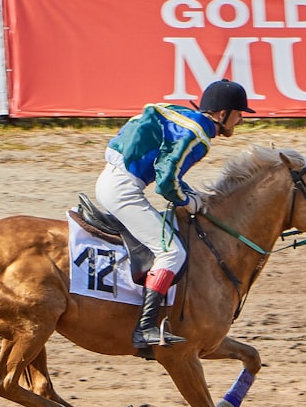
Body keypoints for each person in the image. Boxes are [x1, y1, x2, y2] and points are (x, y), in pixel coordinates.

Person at [95, 79, 256, 349]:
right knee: (172, 252)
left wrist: (187, 194)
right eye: (239, 114)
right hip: (122, 190)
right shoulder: (200, 136)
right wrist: (187, 202)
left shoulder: (184, 117)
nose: (240, 121)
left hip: (115, 179)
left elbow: (165, 165)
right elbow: (166, 182)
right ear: (222, 114)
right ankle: (144, 328)